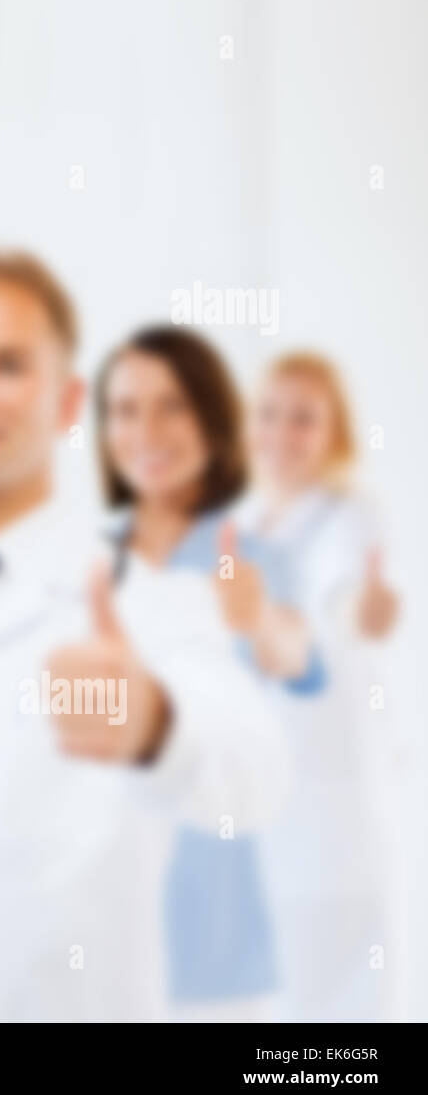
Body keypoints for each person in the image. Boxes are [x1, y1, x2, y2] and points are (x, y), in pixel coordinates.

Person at [0, 249, 289, 1021]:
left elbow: (258, 771)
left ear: (70, 401)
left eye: (6, 366)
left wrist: (156, 727)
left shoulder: (140, 594)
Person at [94, 325, 322, 1022]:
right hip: (96, 937)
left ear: (213, 420)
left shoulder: (244, 555)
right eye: (127, 410)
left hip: (215, 949)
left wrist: (260, 625)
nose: (147, 431)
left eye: (173, 406)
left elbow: (301, 660)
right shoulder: (84, 561)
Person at [237, 351, 407, 1021]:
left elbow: (349, 601)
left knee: (340, 1026)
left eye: (304, 419)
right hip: (263, 823)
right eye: (270, 415)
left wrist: (361, 609)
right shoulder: (245, 529)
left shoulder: (349, 519)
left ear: (335, 432)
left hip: (332, 826)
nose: (282, 433)